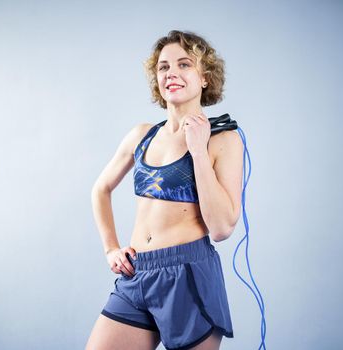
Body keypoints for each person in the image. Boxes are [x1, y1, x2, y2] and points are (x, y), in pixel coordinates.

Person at [85, 30, 244, 350]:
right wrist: (110, 248)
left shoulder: (223, 140)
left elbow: (222, 228)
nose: (171, 72)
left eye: (184, 64)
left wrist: (198, 151)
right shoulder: (141, 135)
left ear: (204, 77)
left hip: (188, 276)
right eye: (163, 67)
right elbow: (100, 188)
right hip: (137, 274)